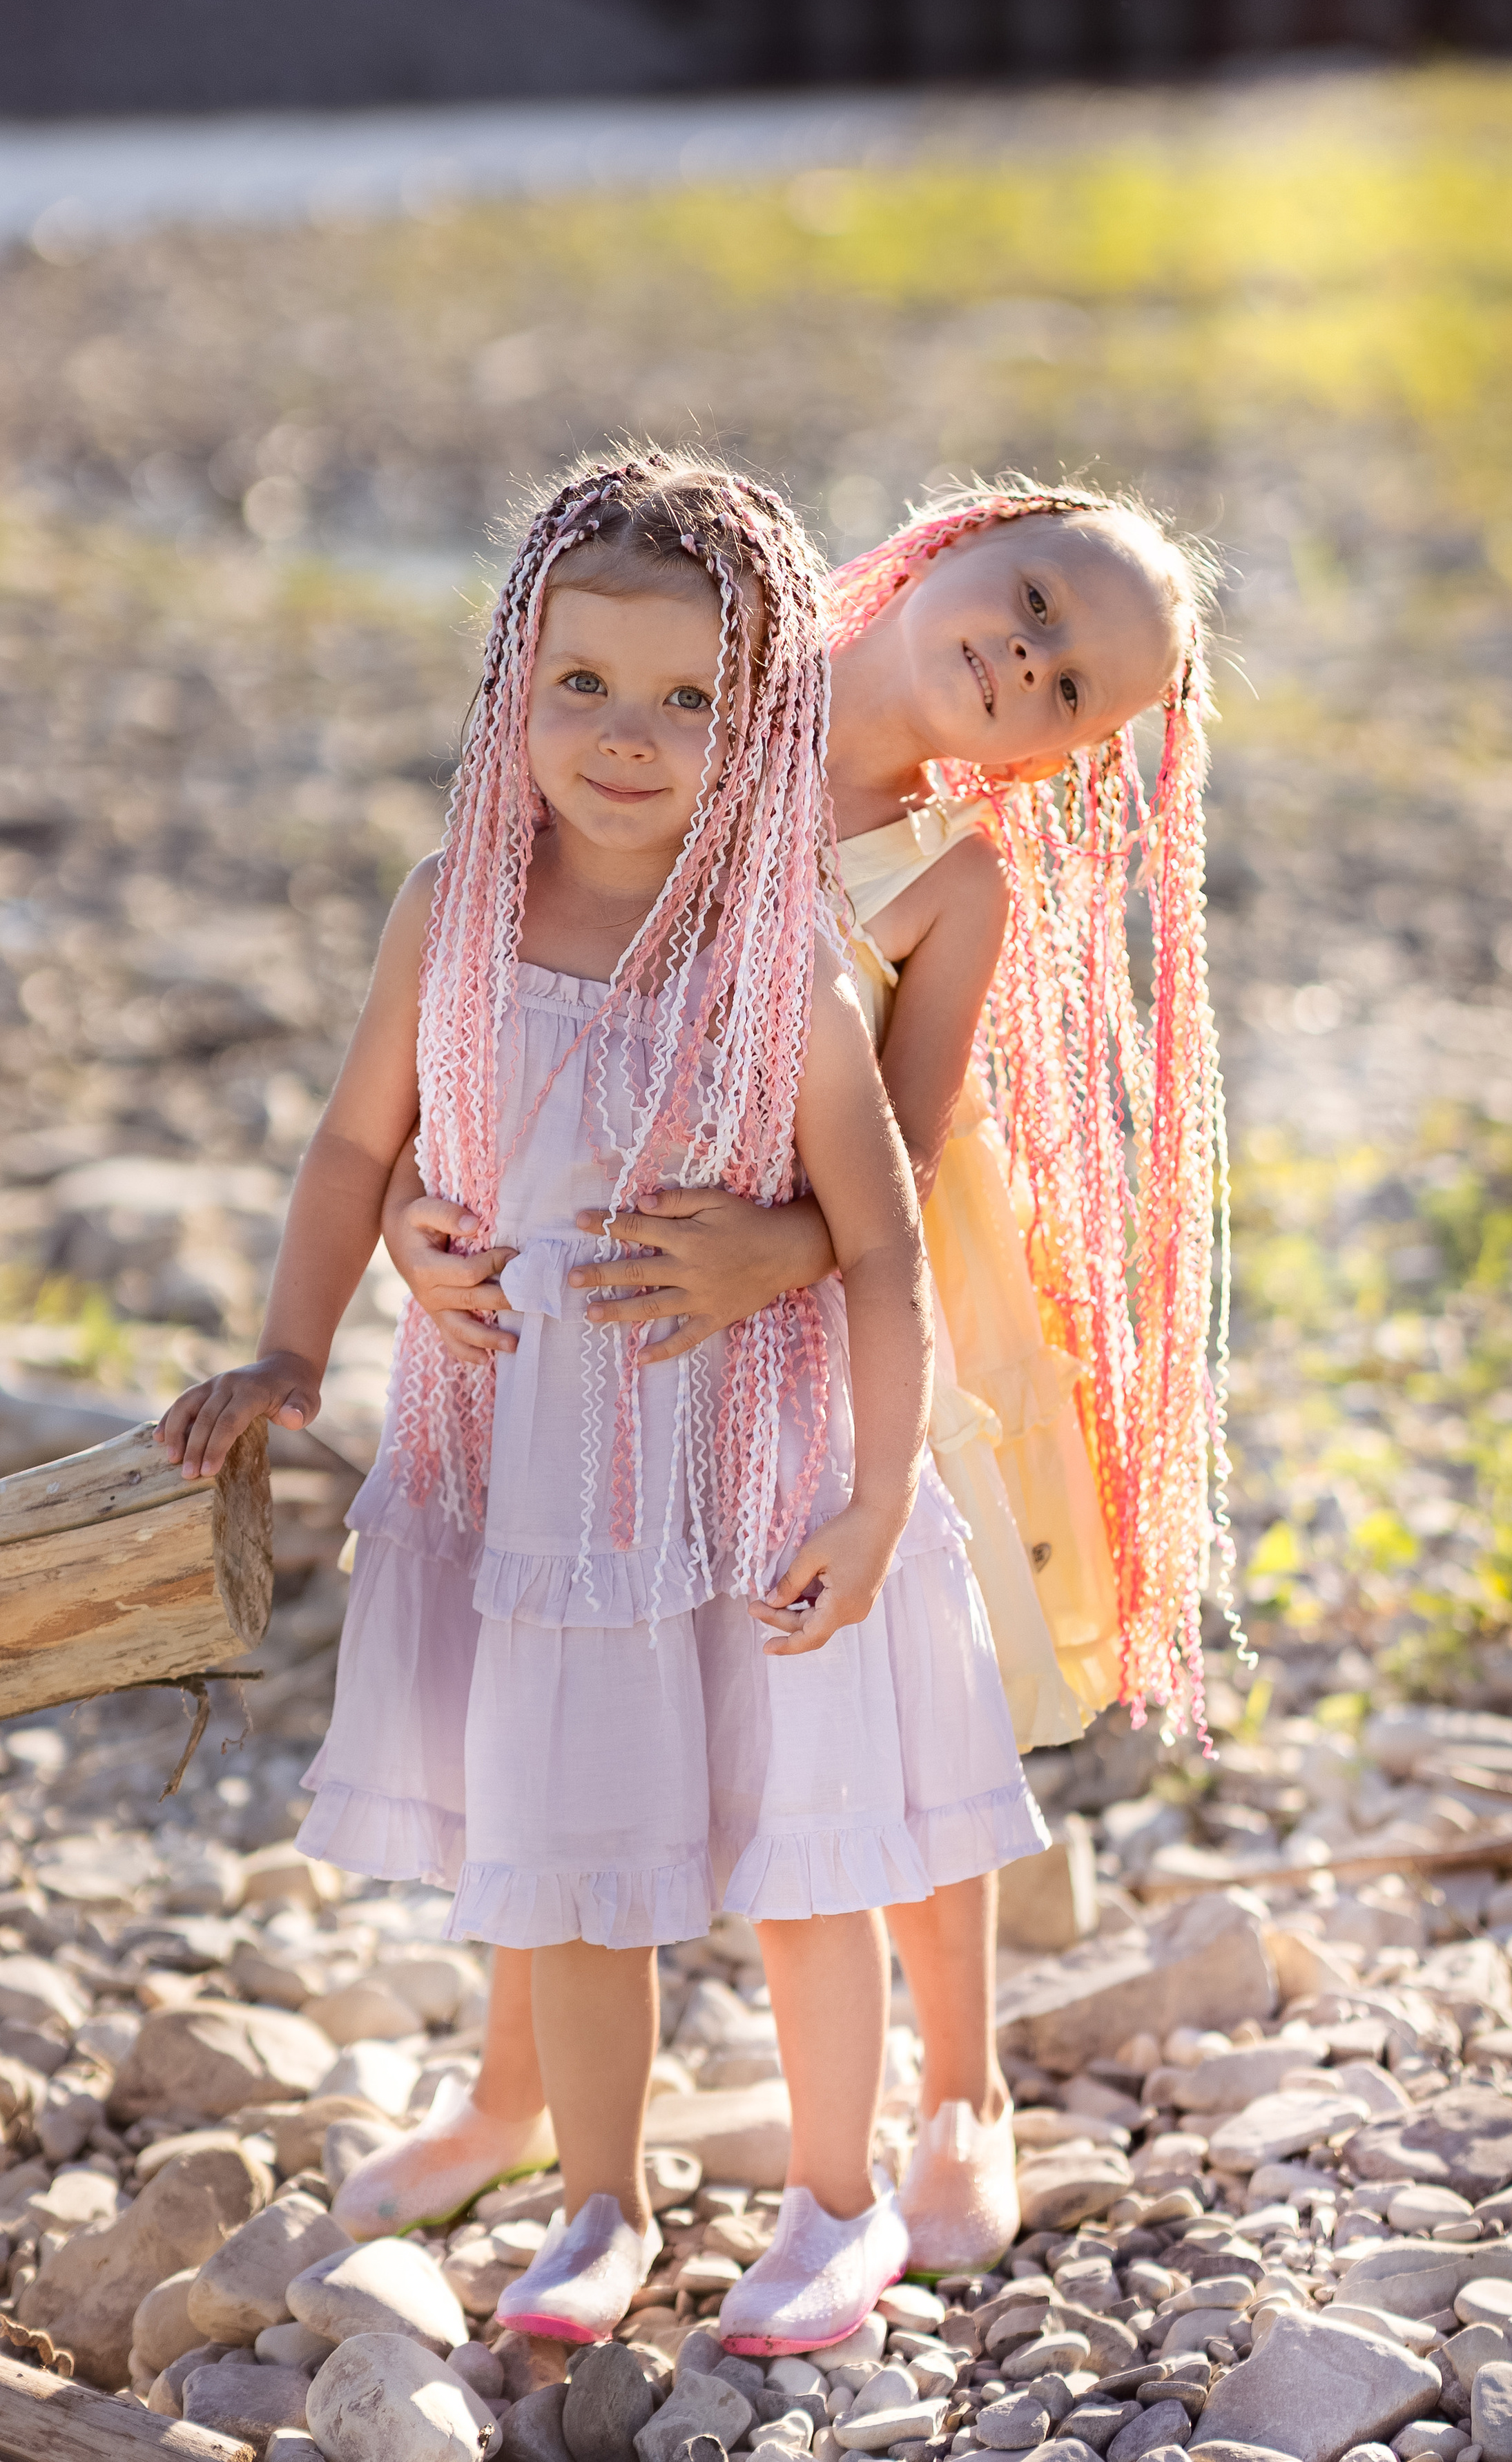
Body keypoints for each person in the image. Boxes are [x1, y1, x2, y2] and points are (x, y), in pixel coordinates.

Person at [156, 450, 1045, 2349]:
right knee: (566, 1862)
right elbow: (347, 1147)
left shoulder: (777, 958)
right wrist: (293, 1352)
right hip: (547, 1480)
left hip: (756, 1467)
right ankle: (598, 2202)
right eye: (584, 686)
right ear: (512, 687)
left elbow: (876, 1249)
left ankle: (833, 2200)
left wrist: (882, 1500)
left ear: (767, 719)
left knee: (808, 1859)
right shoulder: (451, 911)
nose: (628, 739)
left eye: (689, 700)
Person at [363, 480, 1234, 2279]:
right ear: (951, 546)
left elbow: (899, 1156)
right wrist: (395, 1211)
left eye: (1078, 689)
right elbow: (452, 1011)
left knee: (890, 1714)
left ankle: (959, 2095)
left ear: (1074, 755)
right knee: (574, 1676)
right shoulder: (681, 688)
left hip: (839, 1303)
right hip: (602, 1314)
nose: (1034, 657)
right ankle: (518, 2082)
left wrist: (781, 1254)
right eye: (1044, 597)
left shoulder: (945, 875)